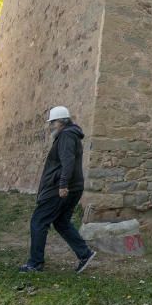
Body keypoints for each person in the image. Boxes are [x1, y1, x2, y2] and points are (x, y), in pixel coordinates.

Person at [18, 106, 96, 273]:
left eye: (52, 123)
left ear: (61, 121)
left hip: (60, 189)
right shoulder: (70, 135)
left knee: (38, 221)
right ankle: (85, 254)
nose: (51, 126)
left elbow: (68, 161)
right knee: (61, 222)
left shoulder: (66, 135)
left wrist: (62, 185)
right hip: (73, 187)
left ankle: (35, 263)